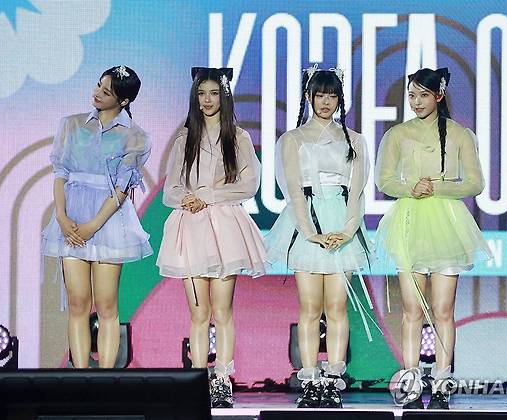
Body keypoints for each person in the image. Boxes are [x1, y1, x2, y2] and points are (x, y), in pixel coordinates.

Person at [374, 67, 492, 409]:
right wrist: (410, 187)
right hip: (410, 220)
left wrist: (437, 187)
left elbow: (475, 183)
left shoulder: (460, 135)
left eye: (423, 95)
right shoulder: (397, 134)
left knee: (443, 310)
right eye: (412, 95)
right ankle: (411, 382)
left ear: (438, 96)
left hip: (446, 222)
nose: (416, 102)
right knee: (412, 310)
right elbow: (383, 179)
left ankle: (441, 383)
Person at [265, 64, 375, 408]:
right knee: (310, 307)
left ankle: (333, 379)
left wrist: (347, 230)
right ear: (308, 97)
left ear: (340, 99)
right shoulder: (293, 139)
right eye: (320, 95)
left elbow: (357, 192)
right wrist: (311, 232)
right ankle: (310, 378)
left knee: (337, 306)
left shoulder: (354, 140)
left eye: (332, 95)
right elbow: (293, 190)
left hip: (341, 222)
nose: (326, 102)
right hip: (307, 224)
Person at [156, 67, 267, 408]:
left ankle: (222, 380)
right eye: (202, 94)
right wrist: (188, 198)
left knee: (223, 311)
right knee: (198, 314)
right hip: (191, 226)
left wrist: (210, 196)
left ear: (224, 97)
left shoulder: (238, 137)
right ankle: (197, 381)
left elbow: (249, 184)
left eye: (214, 94)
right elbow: (170, 189)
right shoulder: (184, 139)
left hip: (224, 227)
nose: (207, 100)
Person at [42, 65, 153, 369]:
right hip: (72, 218)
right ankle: (80, 375)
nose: (97, 94)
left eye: (107, 91)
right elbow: (60, 173)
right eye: (98, 86)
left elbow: (122, 189)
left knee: (106, 304)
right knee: (78, 302)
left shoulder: (135, 136)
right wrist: (62, 216)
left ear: (124, 100)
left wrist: (93, 225)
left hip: (107, 220)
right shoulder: (72, 125)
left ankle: (105, 378)